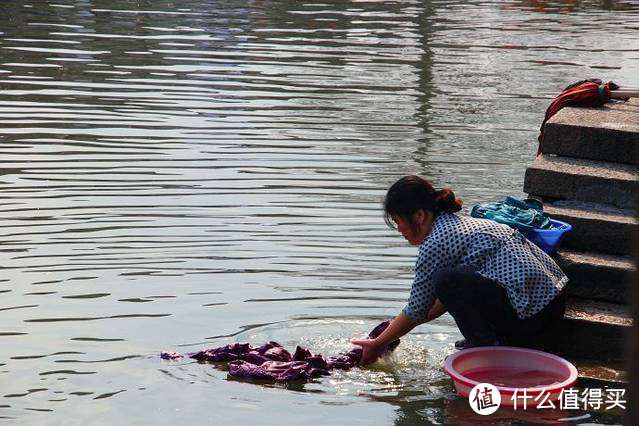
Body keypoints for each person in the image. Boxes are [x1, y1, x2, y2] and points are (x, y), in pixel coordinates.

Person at [351, 175, 568, 365]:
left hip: (535, 318)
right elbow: (433, 304)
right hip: (553, 303)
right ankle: (485, 339)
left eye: (399, 221)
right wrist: (391, 330)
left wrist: (379, 343)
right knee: (448, 282)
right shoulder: (457, 224)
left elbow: (418, 309)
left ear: (419, 216)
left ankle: (486, 347)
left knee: (445, 279)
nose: (399, 230)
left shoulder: (436, 242)